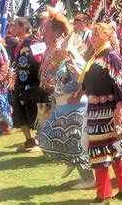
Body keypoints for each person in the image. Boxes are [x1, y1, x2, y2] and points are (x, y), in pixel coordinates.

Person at [74, 23, 122, 203]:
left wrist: (120, 110)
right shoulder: (95, 57)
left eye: (97, 34)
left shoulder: (112, 57)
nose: (93, 37)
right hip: (95, 110)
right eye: (92, 34)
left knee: (102, 150)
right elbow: (88, 82)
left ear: (107, 35)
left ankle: (104, 193)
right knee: (113, 150)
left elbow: (120, 85)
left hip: (108, 110)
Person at [37, 42, 95, 190]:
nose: (55, 51)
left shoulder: (76, 63)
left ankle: (88, 178)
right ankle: (70, 161)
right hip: (62, 108)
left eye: (59, 49)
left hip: (75, 110)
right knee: (46, 137)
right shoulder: (63, 64)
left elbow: (85, 81)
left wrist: (78, 92)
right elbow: (61, 83)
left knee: (75, 144)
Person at [11, 17, 43, 152]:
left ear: (23, 27)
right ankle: (29, 141)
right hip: (20, 83)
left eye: (14, 26)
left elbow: (42, 61)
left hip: (33, 84)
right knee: (19, 113)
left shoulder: (35, 41)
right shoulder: (19, 43)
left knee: (34, 114)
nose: (12, 28)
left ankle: (41, 141)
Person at [38, 8, 71, 129]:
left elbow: (67, 71)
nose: (43, 33)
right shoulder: (50, 46)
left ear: (57, 32)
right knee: (46, 125)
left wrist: (54, 85)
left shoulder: (61, 48)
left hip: (58, 94)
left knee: (56, 127)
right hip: (47, 92)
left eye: (46, 30)